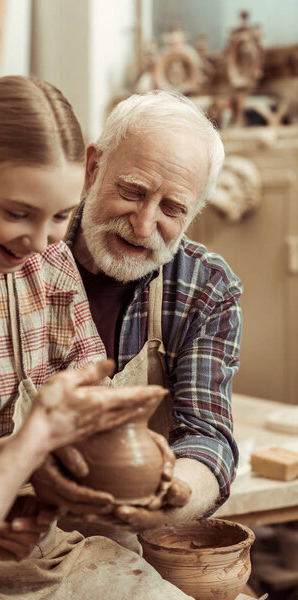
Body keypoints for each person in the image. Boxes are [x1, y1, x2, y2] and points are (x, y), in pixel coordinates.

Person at [0, 83, 194, 599]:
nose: (38, 242)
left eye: (60, 217)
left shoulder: (49, 262)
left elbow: (90, 410)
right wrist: (26, 453)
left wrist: (144, 459)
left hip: (33, 546)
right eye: (17, 213)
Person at [67, 90, 242, 525]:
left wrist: (170, 498)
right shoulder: (26, 252)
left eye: (172, 208)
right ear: (93, 169)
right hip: (18, 516)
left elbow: (208, 436)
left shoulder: (206, 288)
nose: (144, 224)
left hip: (137, 529)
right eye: (132, 191)